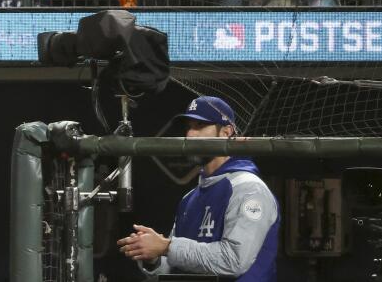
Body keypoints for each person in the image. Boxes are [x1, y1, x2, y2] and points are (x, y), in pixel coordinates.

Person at [117, 96, 279, 280]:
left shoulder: (248, 188)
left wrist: (166, 247)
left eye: (200, 126)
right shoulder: (190, 198)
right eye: (189, 126)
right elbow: (172, 266)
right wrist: (154, 258)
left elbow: (234, 260)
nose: (190, 135)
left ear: (226, 132)